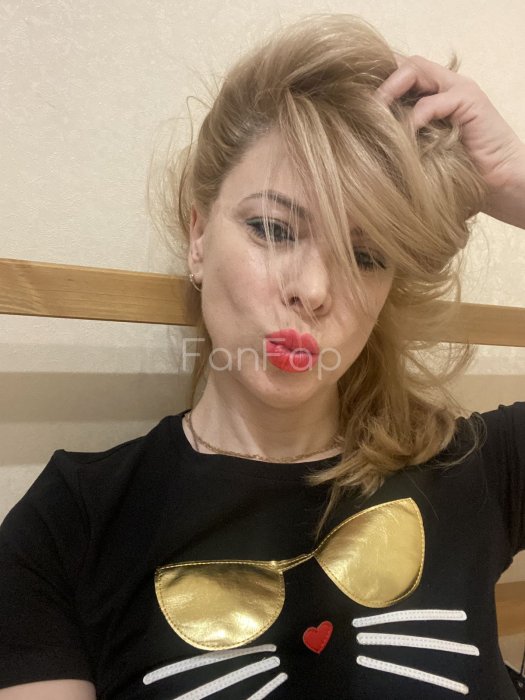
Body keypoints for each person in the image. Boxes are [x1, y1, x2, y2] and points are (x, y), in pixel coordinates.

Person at [1, 13, 524, 700]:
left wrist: (516, 183)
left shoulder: (471, 468)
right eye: (273, 228)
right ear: (198, 236)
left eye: (366, 256)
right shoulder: (71, 525)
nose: (313, 289)